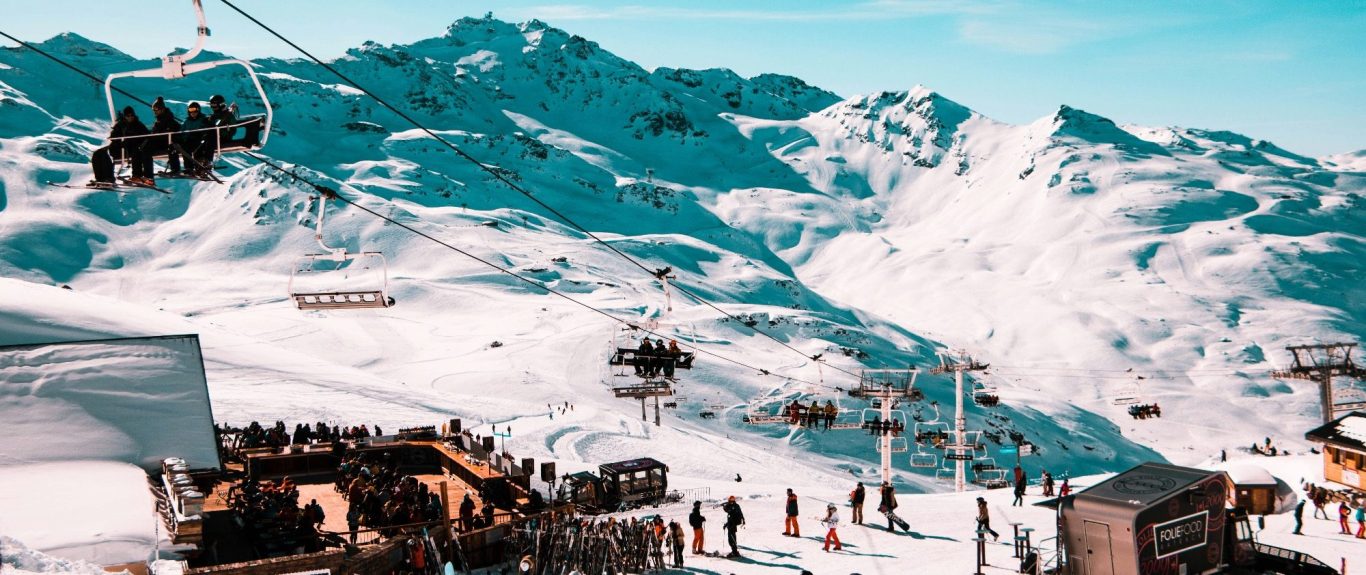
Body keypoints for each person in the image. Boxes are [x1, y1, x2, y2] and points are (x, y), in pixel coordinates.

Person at [89, 105, 149, 186]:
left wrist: (131, 141)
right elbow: (113, 137)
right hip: (118, 148)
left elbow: (146, 136)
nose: (130, 117)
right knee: (98, 153)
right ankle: (100, 178)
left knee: (135, 152)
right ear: (124, 116)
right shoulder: (120, 125)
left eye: (132, 115)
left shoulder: (138, 125)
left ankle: (112, 178)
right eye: (128, 116)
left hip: (131, 149)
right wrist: (120, 142)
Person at [146, 96, 181, 176]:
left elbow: (174, 132)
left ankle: (175, 169)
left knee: (172, 147)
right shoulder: (158, 121)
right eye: (153, 110)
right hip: (160, 143)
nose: (155, 112)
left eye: (156, 110)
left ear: (162, 109)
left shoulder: (169, 120)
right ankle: (147, 173)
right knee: (146, 149)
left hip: (169, 142)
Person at [178, 101, 213, 174]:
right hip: (188, 140)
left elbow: (207, 129)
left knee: (198, 149)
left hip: (199, 139)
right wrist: (183, 138)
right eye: (191, 110)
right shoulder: (187, 121)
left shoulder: (203, 119)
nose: (193, 112)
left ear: (198, 110)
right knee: (184, 149)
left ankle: (200, 167)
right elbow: (182, 131)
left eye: (194, 110)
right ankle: (189, 167)